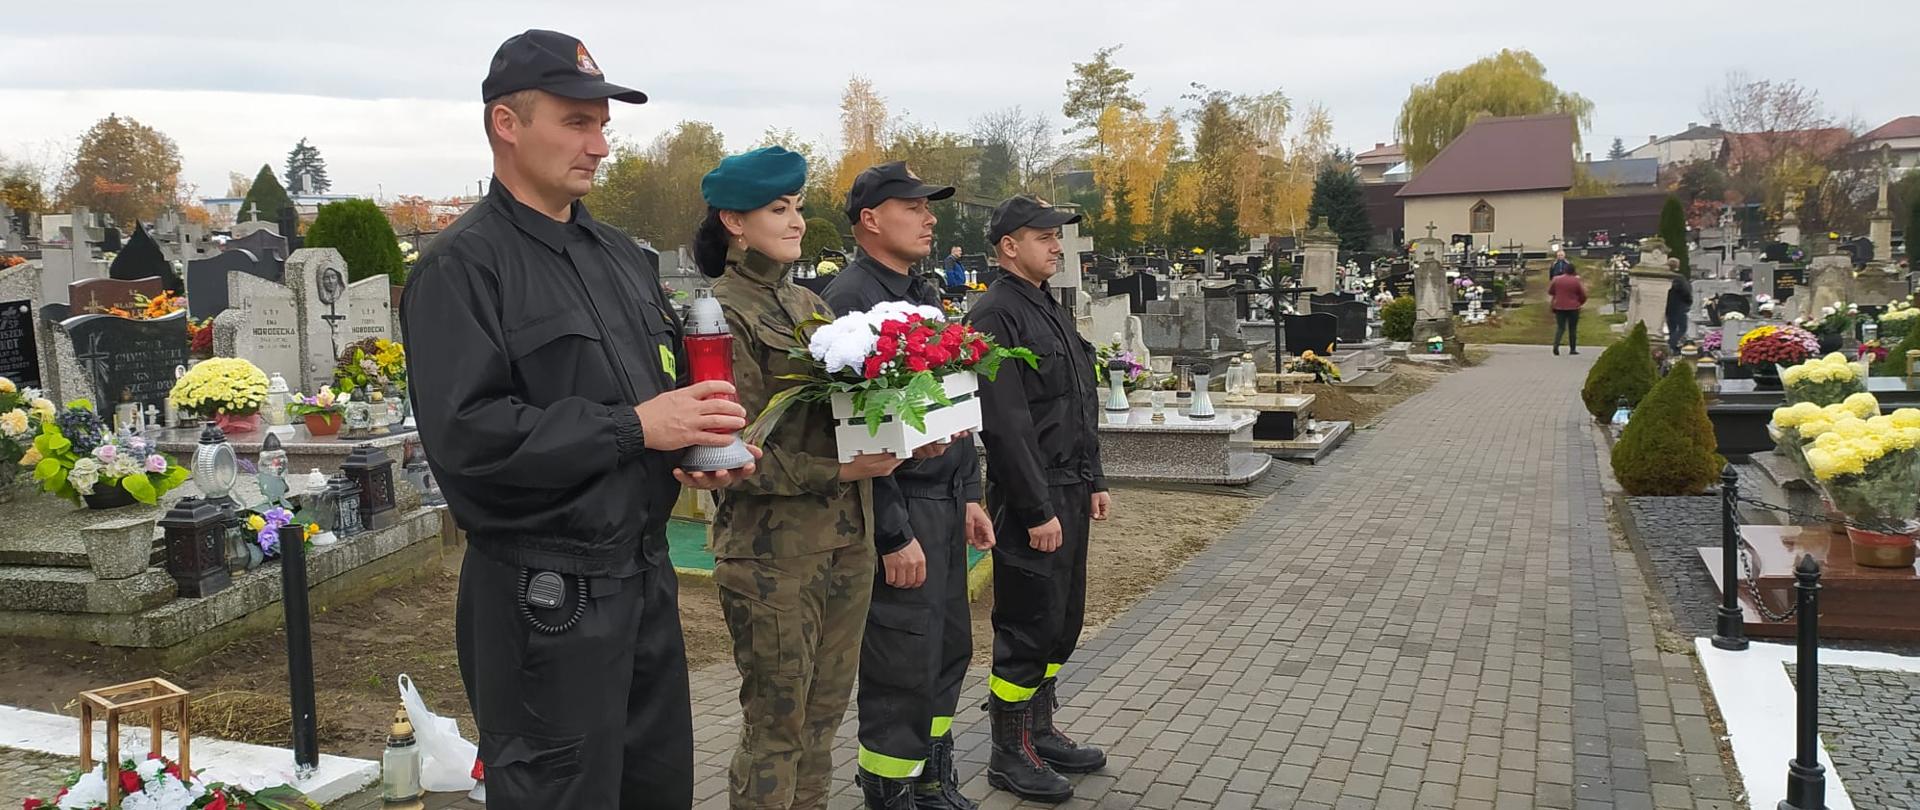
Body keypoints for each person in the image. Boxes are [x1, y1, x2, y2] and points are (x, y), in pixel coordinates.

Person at [403, 30, 758, 809]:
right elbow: (470, 439)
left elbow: (654, 395)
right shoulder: (462, 267)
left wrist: (699, 447)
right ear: (507, 122)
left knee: (655, 789)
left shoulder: (620, 256)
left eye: (604, 126)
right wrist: (636, 429)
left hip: (642, 580)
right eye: (576, 122)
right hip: (544, 603)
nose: (599, 145)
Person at [697, 146, 907, 810]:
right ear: (734, 220)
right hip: (774, 557)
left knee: (821, 727)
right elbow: (728, 455)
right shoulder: (719, 314)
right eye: (778, 209)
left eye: (798, 208)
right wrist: (840, 467)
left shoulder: (808, 302)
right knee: (777, 731)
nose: (796, 221)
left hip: (847, 542)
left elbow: (845, 414)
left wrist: (911, 434)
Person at [823, 162, 996, 810]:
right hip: (901, 509)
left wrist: (972, 492)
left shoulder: (921, 295)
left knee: (948, 647)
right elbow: (853, 433)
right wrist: (892, 532)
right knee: (902, 662)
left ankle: (931, 779)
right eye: (913, 206)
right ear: (870, 218)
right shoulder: (851, 302)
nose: (930, 218)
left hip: (945, 501)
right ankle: (889, 793)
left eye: (930, 207)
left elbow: (956, 401)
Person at [967, 195, 1112, 804]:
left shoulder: (1046, 306)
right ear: (1009, 246)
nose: (1057, 246)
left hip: (1070, 485)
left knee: (1061, 618)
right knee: (1027, 621)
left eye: (1058, 237)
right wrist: (1035, 509)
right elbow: (1005, 424)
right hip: (1035, 493)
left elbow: (1077, 399)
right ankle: (1008, 750)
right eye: (1044, 237)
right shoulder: (997, 313)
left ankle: (1040, 728)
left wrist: (1096, 477)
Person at [1549, 265, 1587, 356]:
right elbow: (1582, 294)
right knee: (1572, 328)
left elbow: (1550, 291)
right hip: (1573, 307)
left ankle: (1556, 346)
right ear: (1574, 271)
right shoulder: (1576, 281)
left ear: (1565, 270)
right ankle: (1572, 349)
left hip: (1559, 306)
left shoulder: (1556, 279)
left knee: (1560, 327)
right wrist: (1579, 302)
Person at [1666, 257, 1693, 353]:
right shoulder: (1679, 278)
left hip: (1668, 307)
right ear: (1677, 266)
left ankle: (1673, 349)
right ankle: (1670, 345)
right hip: (1679, 306)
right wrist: (1689, 302)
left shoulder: (1665, 277)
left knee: (1672, 328)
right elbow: (1685, 292)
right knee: (1682, 328)